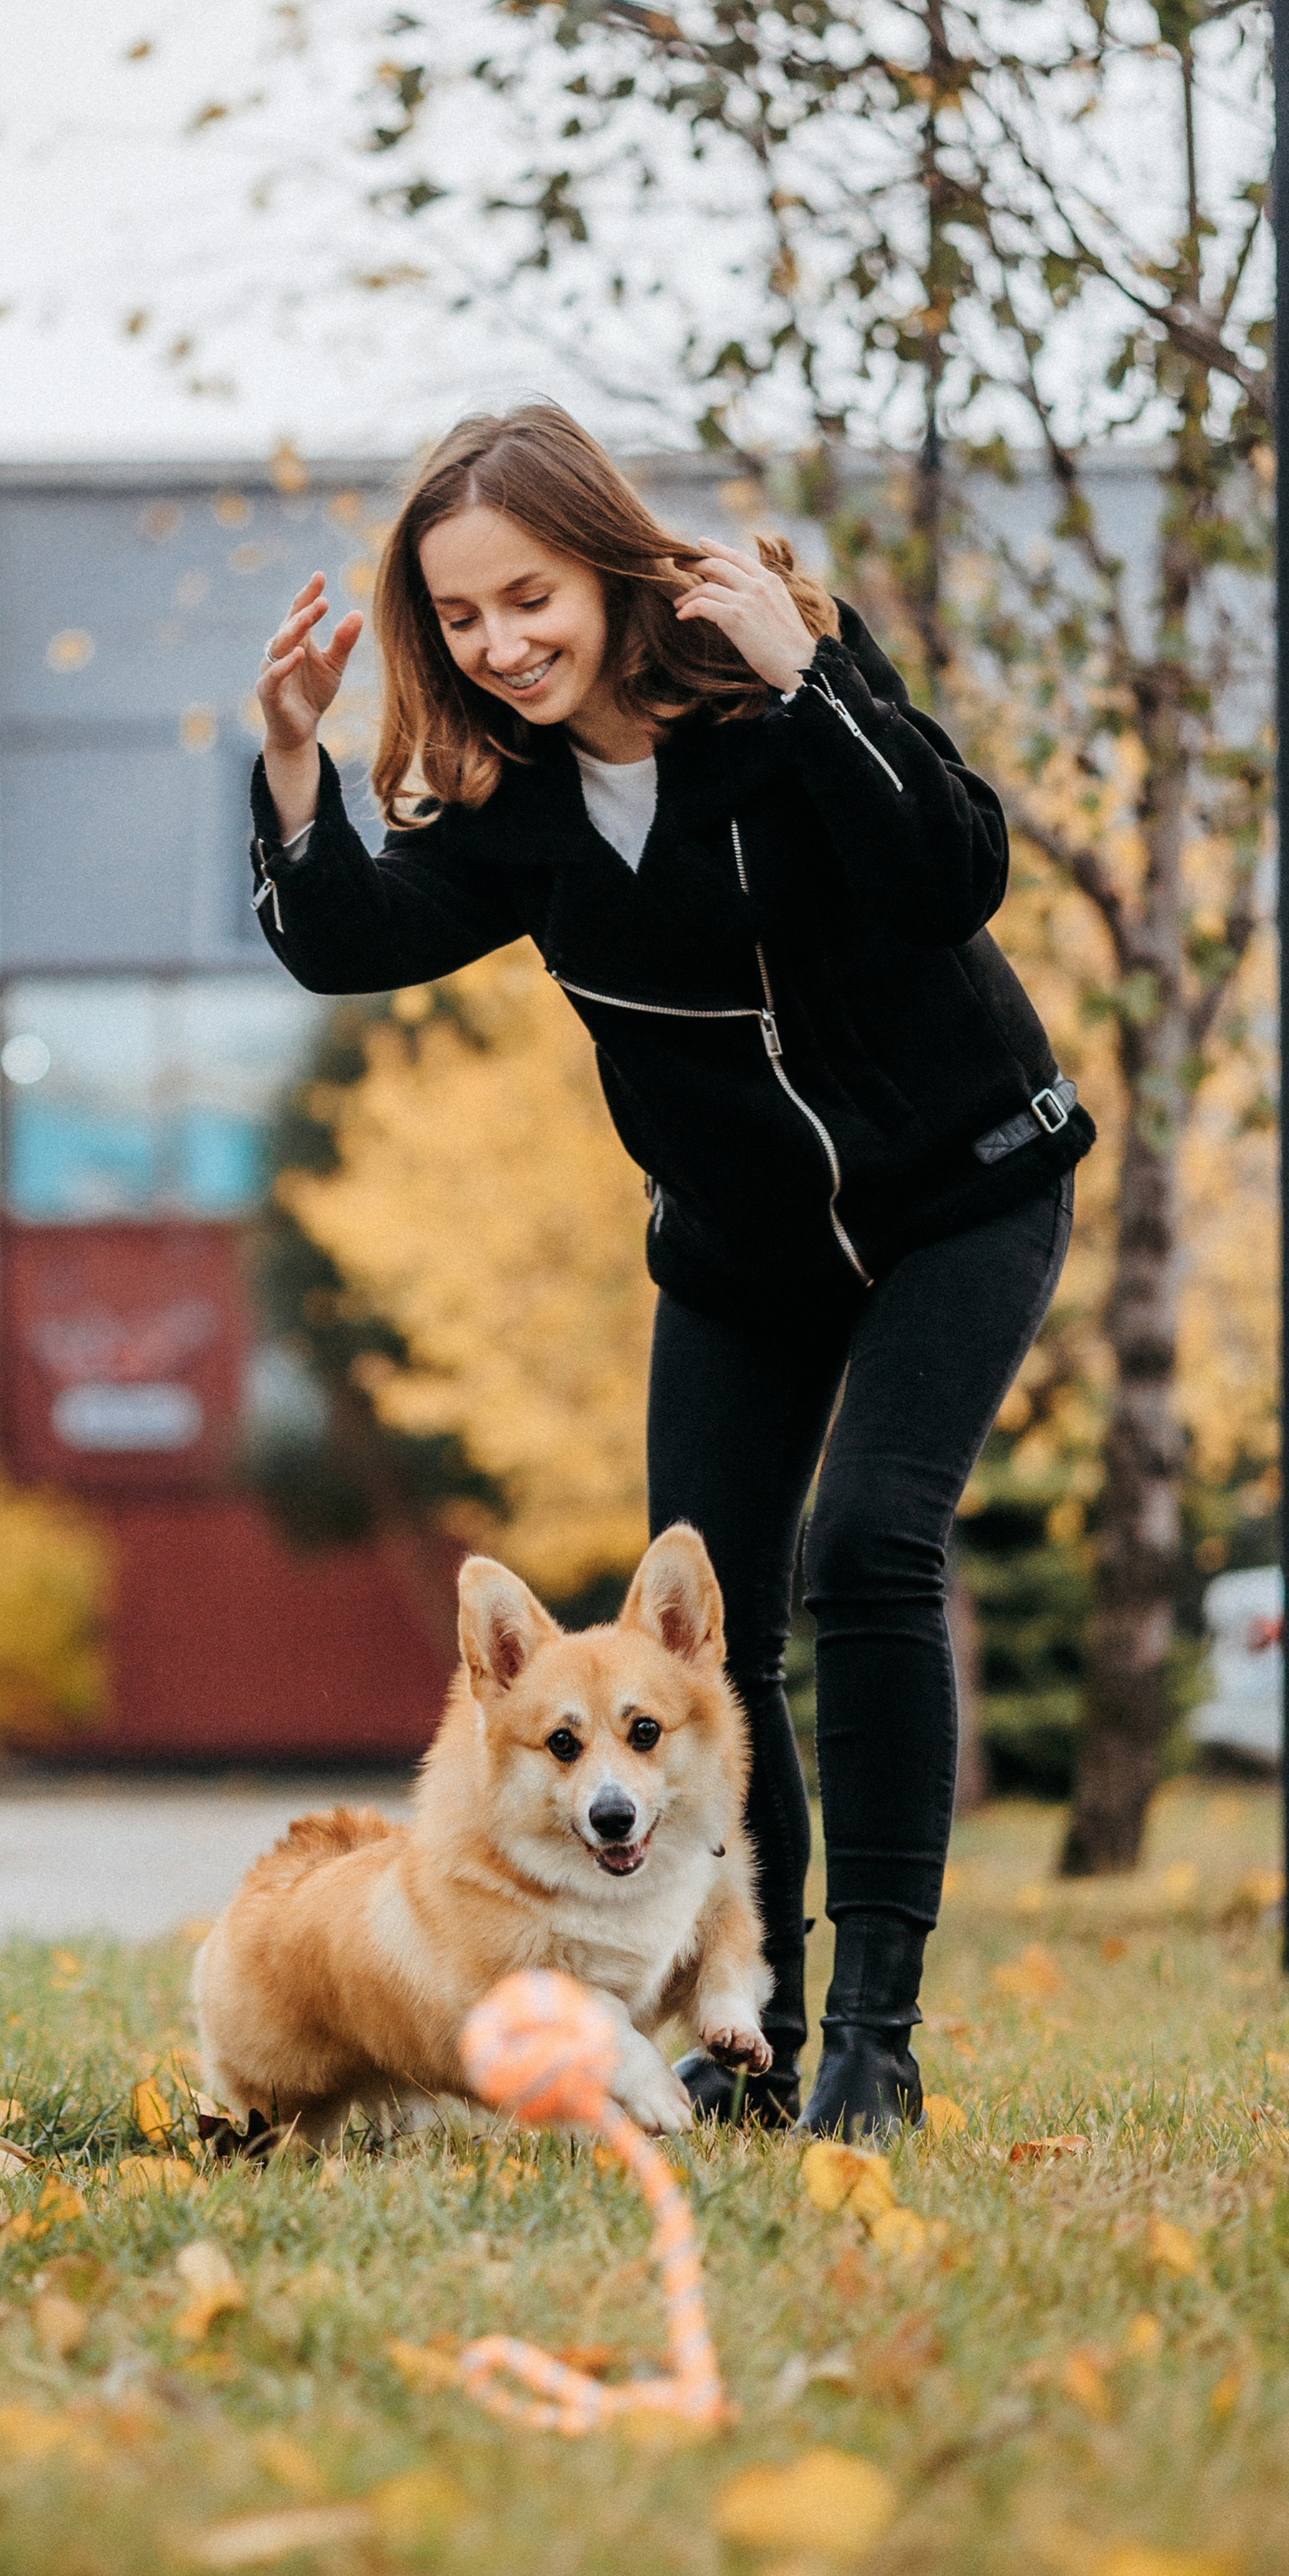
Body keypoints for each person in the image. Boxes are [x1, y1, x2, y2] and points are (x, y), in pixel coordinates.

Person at [248, 402, 1092, 2141]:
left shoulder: (775, 665)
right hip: (736, 1251)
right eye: (460, 622)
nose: (500, 646)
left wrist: (805, 687)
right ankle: (746, 2035)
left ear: (604, 561)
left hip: (964, 1186)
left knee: (869, 1539)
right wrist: (286, 765)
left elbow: (951, 878)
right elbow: (347, 942)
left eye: (526, 597)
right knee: (699, 1647)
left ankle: (874, 2035)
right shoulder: (508, 796)